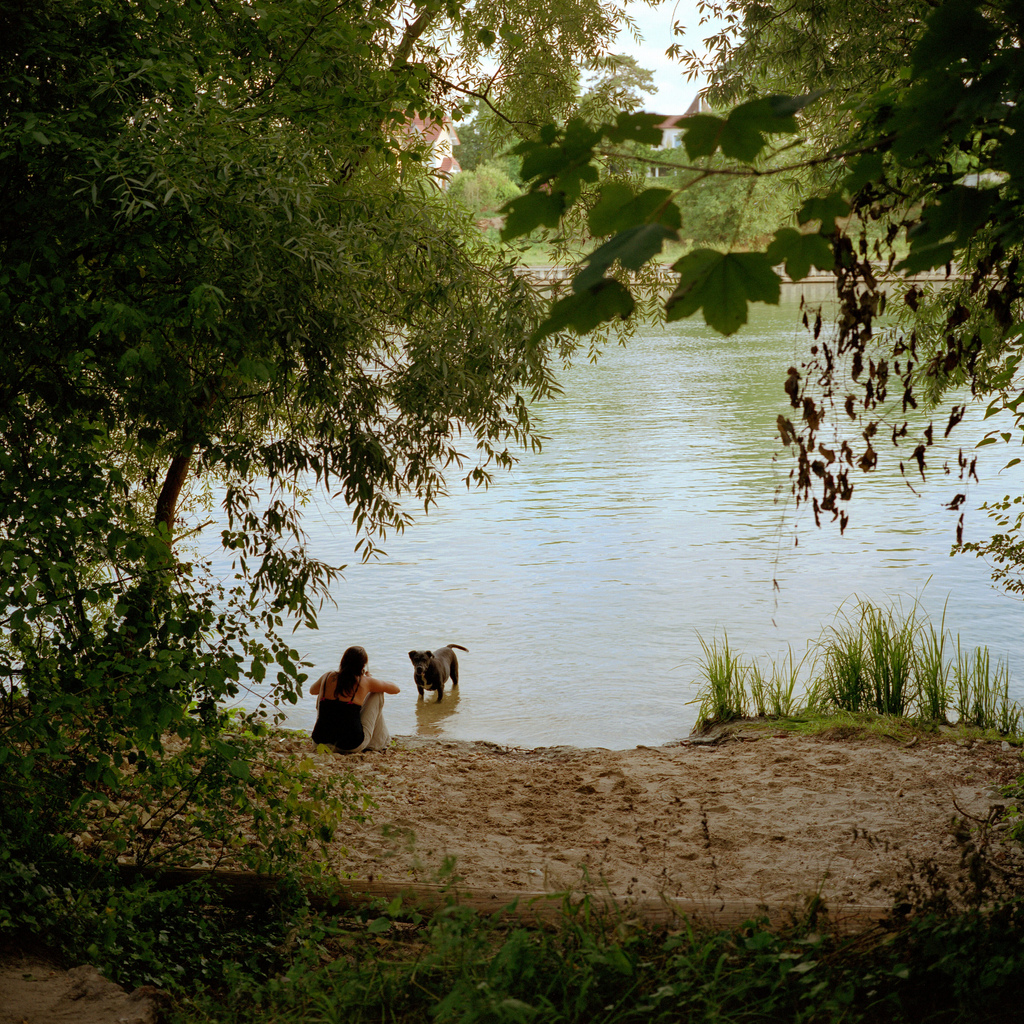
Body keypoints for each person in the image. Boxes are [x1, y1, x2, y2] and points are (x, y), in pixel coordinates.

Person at [309, 646, 400, 753]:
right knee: (378, 693)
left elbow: (312, 691)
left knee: (323, 691)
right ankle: (377, 743)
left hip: (320, 743)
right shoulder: (365, 682)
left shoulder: (327, 676)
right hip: (350, 745)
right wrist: (370, 680)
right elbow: (396, 689)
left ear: (343, 661)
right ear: (362, 665)